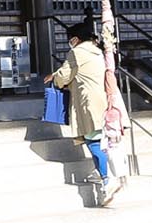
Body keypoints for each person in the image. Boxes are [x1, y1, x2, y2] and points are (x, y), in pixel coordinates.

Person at [46, 21, 125, 205]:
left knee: (93, 142)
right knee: (97, 138)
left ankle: (108, 178)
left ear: (75, 39)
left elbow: (65, 75)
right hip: (103, 101)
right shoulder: (98, 51)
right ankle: (102, 177)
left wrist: (54, 78)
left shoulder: (77, 52)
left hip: (88, 103)